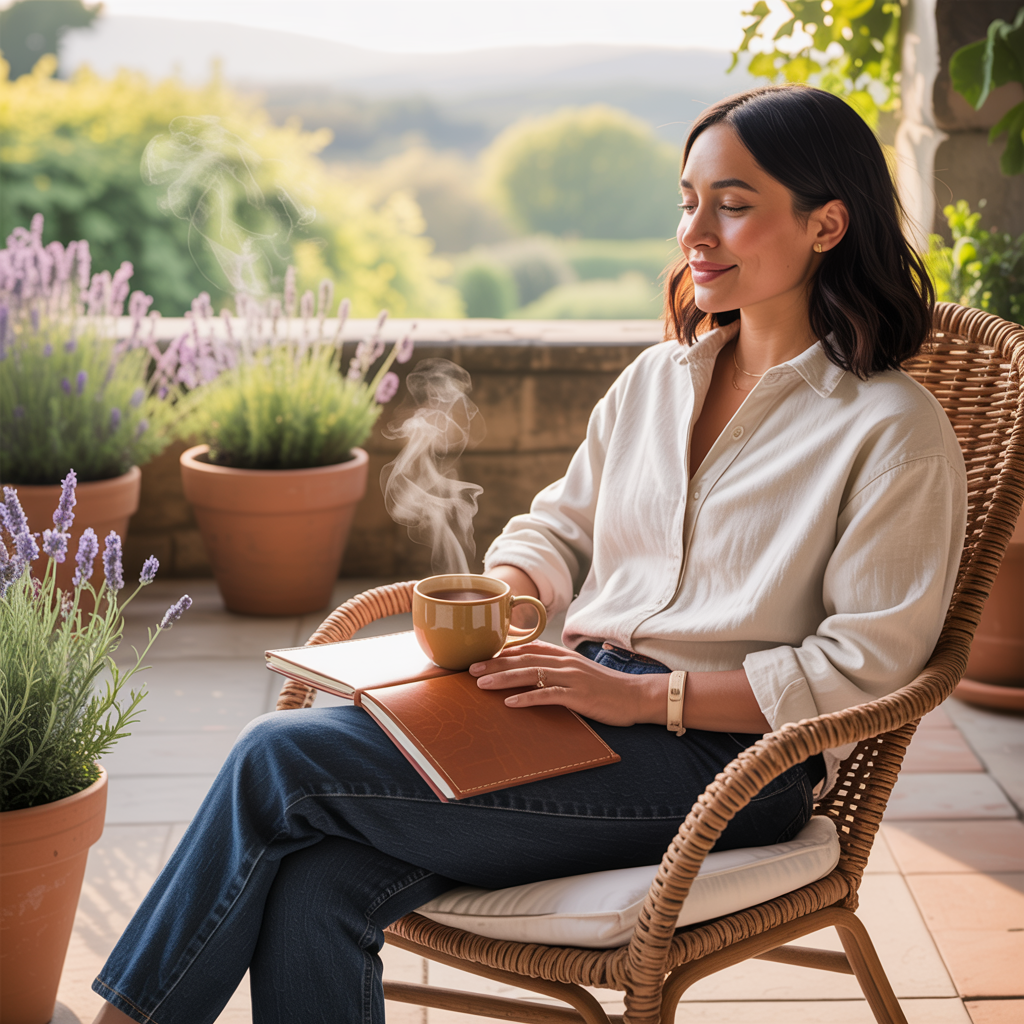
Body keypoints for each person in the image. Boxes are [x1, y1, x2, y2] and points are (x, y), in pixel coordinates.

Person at [91, 84, 967, 1024]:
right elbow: (563, 526)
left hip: (732, 767)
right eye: (688, 199)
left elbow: (865, 669)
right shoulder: (656, 382)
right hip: (576, 703)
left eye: (735, 205)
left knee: (279, 757)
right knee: (319, 880)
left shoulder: (889, 429)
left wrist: (643, 696)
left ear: (826, 223)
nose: (695, 232)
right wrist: (511, 591)